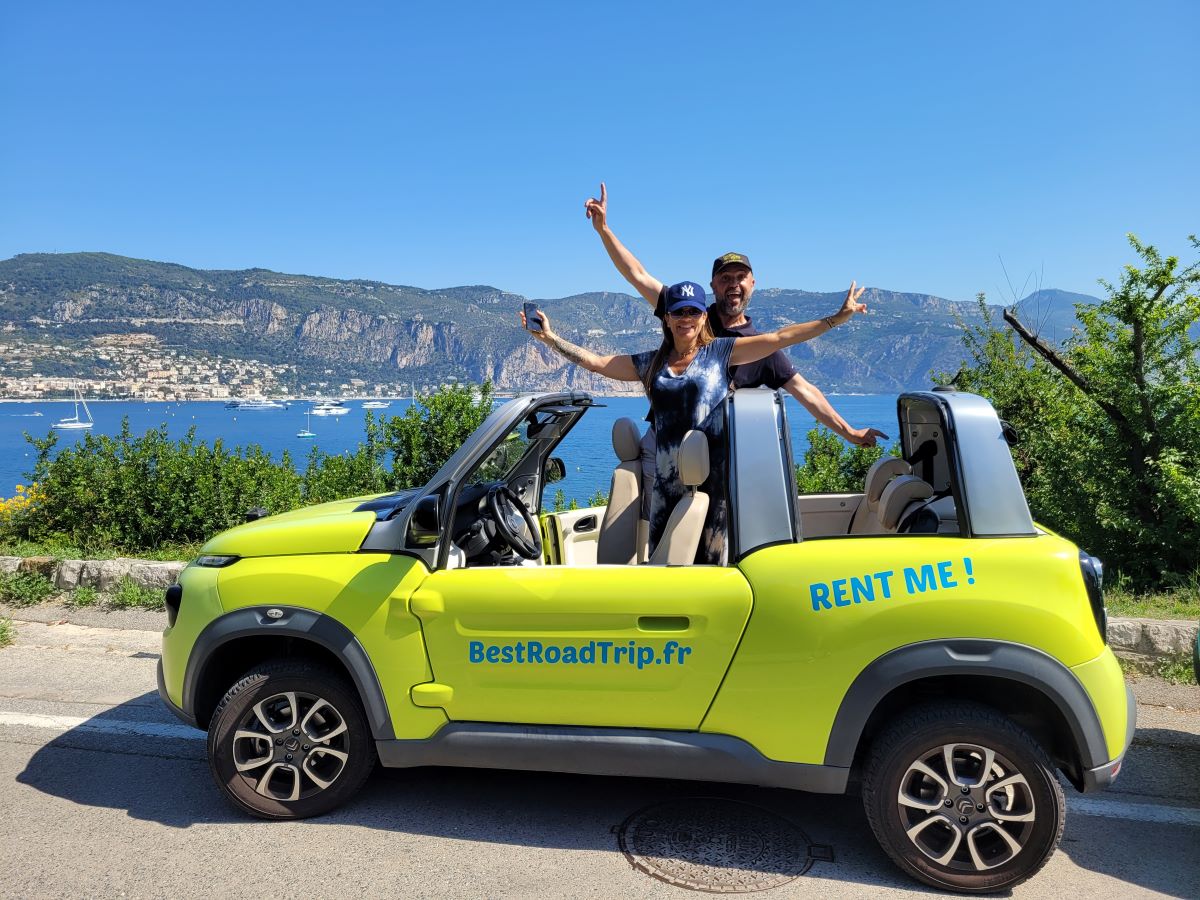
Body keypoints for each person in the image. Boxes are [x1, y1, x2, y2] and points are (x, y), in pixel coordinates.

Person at [521, 280, 867, 565]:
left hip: (713, 483)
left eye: (693, 311)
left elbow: (780, 338)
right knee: (666, 565)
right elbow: (597, 363)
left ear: (703, 317)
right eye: (678, 311)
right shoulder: (651, 363)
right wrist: (550, 339)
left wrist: (836, 319)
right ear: (667, 318)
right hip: (666, 484)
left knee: (711, 568)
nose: (686, 318)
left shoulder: (722, 352)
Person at [583, 182, 887, 446]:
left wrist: (850, 432)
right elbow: (636, 274)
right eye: (725, 278)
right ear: (713, 285)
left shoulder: (761, 349)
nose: (733, 284)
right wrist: (603, 230)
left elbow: (807, 392)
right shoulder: (688, 316)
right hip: (663, 440)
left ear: (752, 284)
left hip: (717, 454)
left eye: (741, 277)